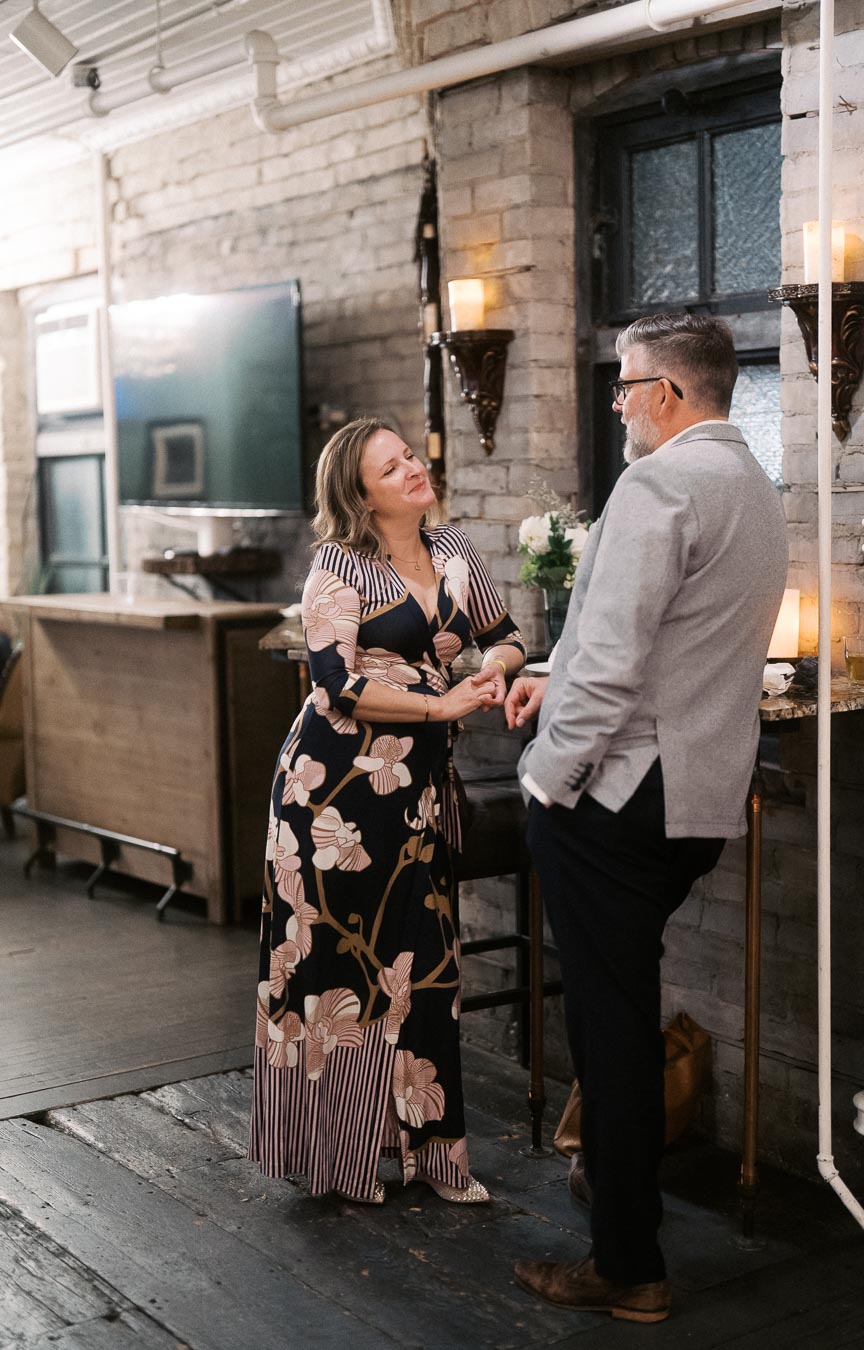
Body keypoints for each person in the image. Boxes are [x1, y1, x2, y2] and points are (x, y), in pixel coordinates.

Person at [507, 313, 788, 1323]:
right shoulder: (754, 486)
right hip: (700, 800)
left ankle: (629, 1264)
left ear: (665, 393)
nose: (619, 403)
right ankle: (609, 1176)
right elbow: (664, 644)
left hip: (617, 798)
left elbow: (619, 661)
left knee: (611, 1019)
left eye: (625, 386)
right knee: (617, 1002)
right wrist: (554, 672)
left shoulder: (660, 483)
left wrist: (546, 778)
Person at [249, 416, 526, 1204]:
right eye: (391, 467)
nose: (412, 469)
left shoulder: (456, 550)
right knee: (339, 973)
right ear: (361, 497)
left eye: (409, 455)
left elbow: (506, 634)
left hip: (420, 794)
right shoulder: (337, 567)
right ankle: (339, 1158)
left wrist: (495, 669)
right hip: (331, 798)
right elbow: (335, 683)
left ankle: (438, 1158)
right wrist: (441, 707)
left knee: (429, 967)